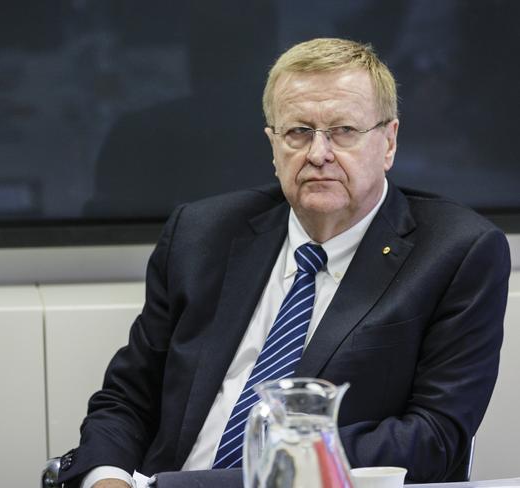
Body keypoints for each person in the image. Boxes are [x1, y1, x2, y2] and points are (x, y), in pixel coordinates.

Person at [57, 38, 510, 488]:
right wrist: (107, 478)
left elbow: (435, 438)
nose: (318, 154)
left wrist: (220, 482)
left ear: (388, 142)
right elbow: (128, 396)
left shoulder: (457, 252)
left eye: (343, 132)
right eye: (298, 132)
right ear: (273, 145)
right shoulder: (201, 234)